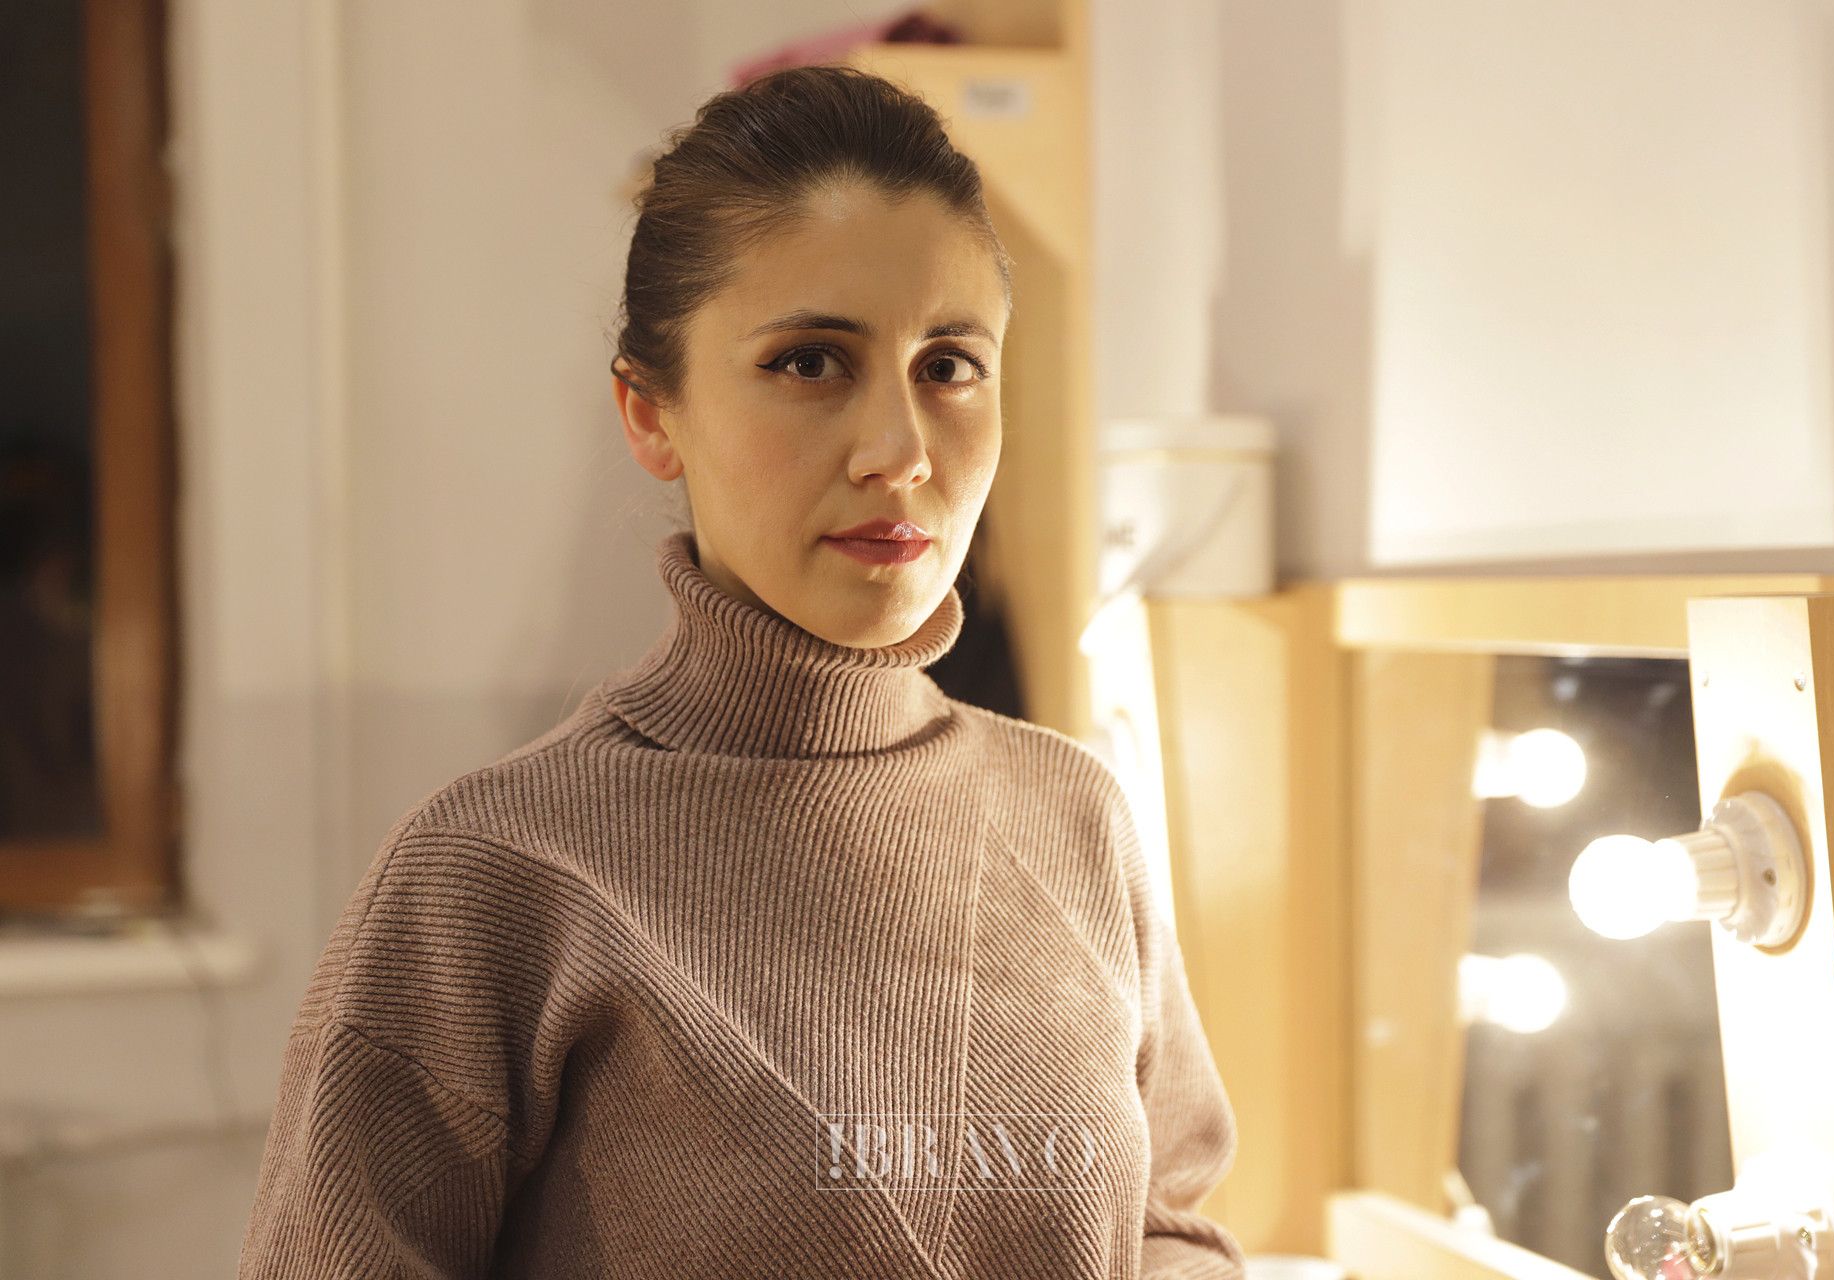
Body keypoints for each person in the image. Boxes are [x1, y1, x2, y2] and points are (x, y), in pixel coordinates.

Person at [237, 63, 1245, 1279]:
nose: (899, 451)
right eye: (811, 362)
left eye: (947, 365)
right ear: (649, 413)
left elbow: (1166, 1220)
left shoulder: (1077, 815)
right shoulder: (491, 878)